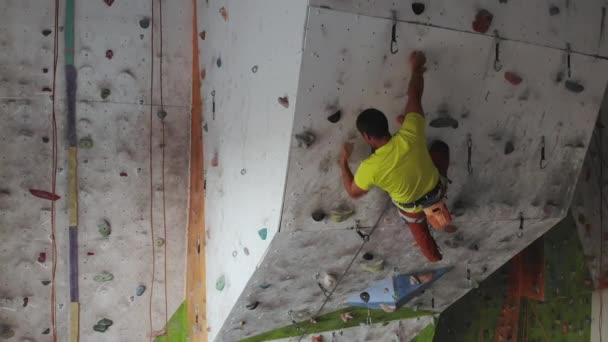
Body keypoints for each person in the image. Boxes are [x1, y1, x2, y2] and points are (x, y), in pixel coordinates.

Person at [339, 50, 451, 262]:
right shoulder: (411, 131)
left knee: (419, 231)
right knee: (440, 148)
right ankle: (439, 216)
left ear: (366, 136)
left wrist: (343, 162)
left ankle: (434, 258)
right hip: (437, 190)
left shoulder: (370, 168)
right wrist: (416, 67)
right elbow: (415, 94)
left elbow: (353, 192)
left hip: (412, 206)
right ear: (386, 125)